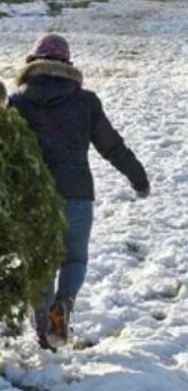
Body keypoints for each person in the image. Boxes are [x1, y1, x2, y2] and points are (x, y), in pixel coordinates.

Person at [8, 34, 150, 351]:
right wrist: (137, 177)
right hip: (77, 195)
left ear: (33, 62)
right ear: (67, 64)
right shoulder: (86, 101)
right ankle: (65, 305)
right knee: (74, 259)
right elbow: (111, 145)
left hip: (34, 196)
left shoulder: (17, 102)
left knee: (39, 261)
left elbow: (4, 151)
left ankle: (43, 326)